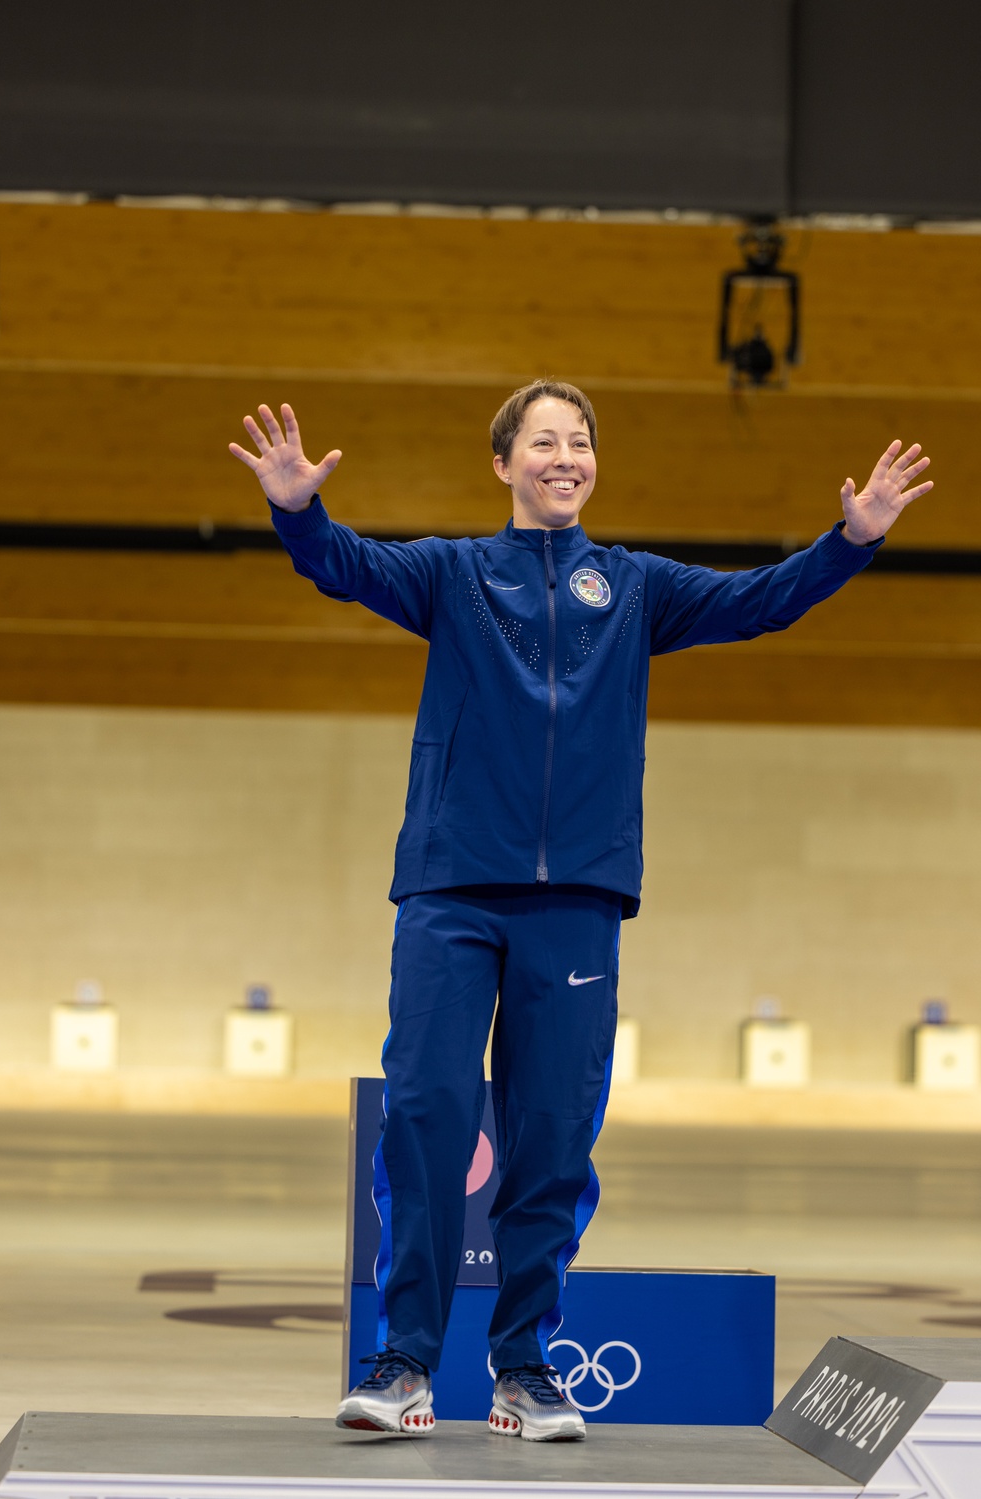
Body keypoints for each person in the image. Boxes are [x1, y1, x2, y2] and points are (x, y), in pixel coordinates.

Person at [230, 382, 932, 1442]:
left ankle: (522, 1368)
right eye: (544, 440)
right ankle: (404, 1362)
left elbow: (761, 600)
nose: (566, 455)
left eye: (581, 441)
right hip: (452, 890)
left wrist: (850, 540)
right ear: (504, 462)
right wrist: (298, 512)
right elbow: (345, 565)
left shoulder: (637, 585)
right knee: (425, 1117)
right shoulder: (452, 575)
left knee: (554, 1136)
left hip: (578, 904)